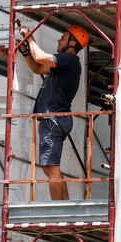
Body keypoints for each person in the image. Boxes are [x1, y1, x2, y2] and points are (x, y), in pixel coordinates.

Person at [18, 24, 89, 200]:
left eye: (63, 37)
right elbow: (38, 68)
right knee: (51, 167)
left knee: (50, 167)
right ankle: (64, 206)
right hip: (56, 118)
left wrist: (29, 35)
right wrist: (26, 52)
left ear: (72, 43)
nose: (59, 40)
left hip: (53, 118)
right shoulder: (64, 65)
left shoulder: (69, 59)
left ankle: (60, 209)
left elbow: (40, 57)